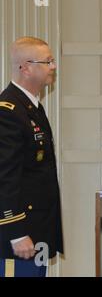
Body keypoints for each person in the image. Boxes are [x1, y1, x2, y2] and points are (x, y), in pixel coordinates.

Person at [0, 37, 63, 277]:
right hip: (19, 237)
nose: (53, 67)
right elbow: (5, 177)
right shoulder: (9, 111)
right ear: (25, 67)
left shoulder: (31, 107)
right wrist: (15, 232)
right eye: (48, 61)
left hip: (37, 228)